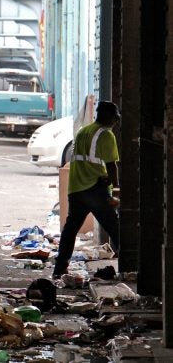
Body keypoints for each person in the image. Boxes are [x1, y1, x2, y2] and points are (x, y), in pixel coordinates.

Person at [53, 100, 121, 279]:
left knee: (70, 230)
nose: (115, 122)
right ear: (108, 116)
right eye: (115, 118)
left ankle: (59, 269)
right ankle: (131, 267)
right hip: (94, 188)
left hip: (76, 188)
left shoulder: (84, 131)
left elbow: (85, 160)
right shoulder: (106, 135)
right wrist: (116, 190)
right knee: (116, 228)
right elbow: (111, 165)